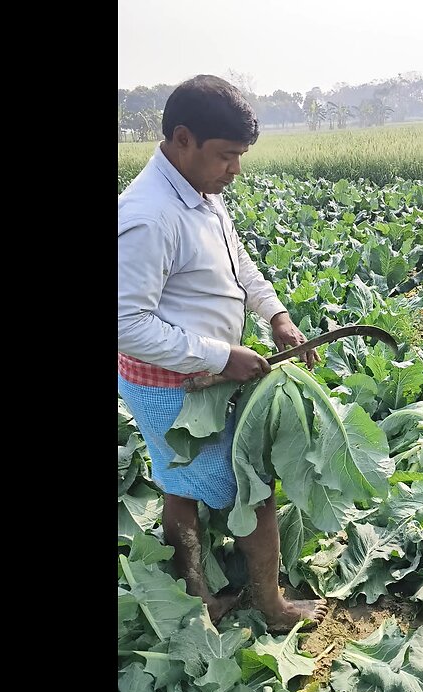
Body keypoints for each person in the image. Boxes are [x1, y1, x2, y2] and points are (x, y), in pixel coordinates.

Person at [118, 75, 325, 631]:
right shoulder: (147, 215)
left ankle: (198, 595)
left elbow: (237, 266)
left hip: (198, 374)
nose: (236, 169)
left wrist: (275, 314)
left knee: (179, 481)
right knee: (251, 485)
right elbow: (124, 324)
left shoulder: (201, 192)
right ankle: (272, 605)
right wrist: (219, 356)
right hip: (173, 385)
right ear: (182, 139)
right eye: (226, 156)